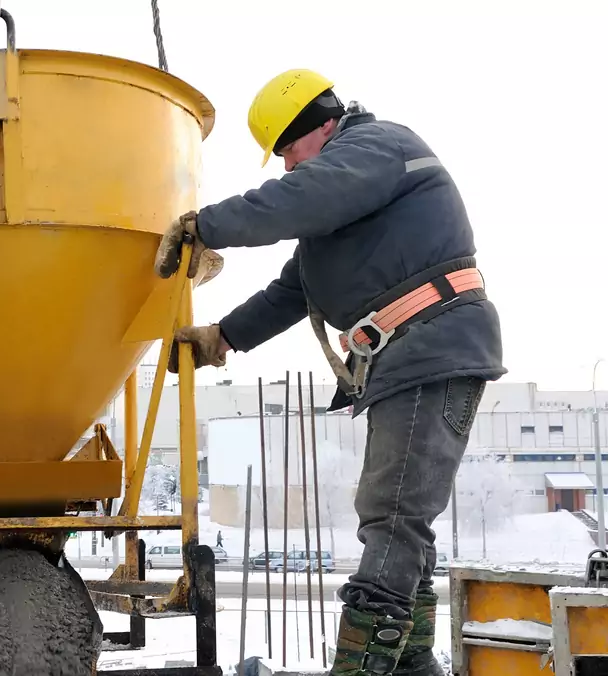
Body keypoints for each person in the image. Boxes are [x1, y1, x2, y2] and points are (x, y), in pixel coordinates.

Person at [154, 69, 504, 675]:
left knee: (392, 516)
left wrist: (205, 225)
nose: (287, 168)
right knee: (397, 517)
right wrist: (223, 338)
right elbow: (293, 291)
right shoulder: (345, 205)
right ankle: (413, 665)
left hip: (433, 350)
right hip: (409, 359)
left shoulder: (375, 149)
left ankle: (365, 666)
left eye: (287, 152)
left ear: (319, 126)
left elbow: (299, 199)